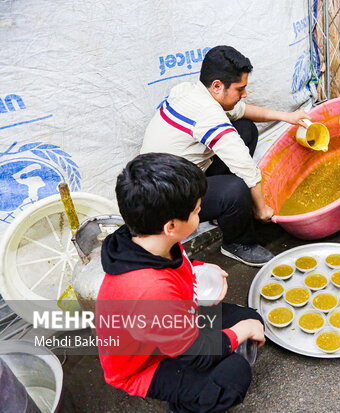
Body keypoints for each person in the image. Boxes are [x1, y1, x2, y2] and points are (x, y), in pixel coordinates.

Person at [97, 153, 266, 412]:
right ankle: (184, 405)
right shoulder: (150, 290)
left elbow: (177, 265)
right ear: (171, 226)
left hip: (171, 326)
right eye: (197, 211)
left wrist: (198, 269)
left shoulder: (145, 237)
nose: (200, 215)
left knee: (250, 317)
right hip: (146, 364)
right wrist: (243, 330)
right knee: (232, 374)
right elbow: (196, 352)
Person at [141, 45, 310, 267]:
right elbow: (245, 167)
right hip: (166, 199)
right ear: (218, 86)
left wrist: (288, 117)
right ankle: (238, 243)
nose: (244, 94)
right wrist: (261, 209)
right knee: (236, 188)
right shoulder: (207, 113)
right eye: (240, 89)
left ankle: (225, 212)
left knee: (245, 129)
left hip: (182, 174)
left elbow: (242, 111)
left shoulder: (193, 92)